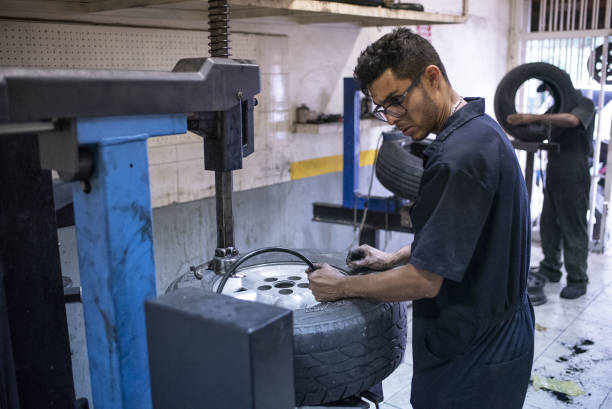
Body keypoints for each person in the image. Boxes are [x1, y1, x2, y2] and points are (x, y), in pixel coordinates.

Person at [307, 28, 534, 409]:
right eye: (383, 108)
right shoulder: (480, 131)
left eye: (397, 101)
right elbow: (461, 237)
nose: (391, 118)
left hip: (474, 354)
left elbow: (425, 281)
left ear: (432, 77)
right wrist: (390, 258)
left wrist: (341, 288)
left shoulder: (458, 159)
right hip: (496, 334)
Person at [507, 84, 595, 299]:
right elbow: (539, 128)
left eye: (550, 88)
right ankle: (551, 267)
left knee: (572, 225)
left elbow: (572, 121)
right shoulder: (556, 108)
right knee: (548, 222)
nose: (549, 93)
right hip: (554, 167)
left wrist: (532, 117)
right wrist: (521, 125)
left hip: (574, 169)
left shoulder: (584, 103)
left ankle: (577, 278)